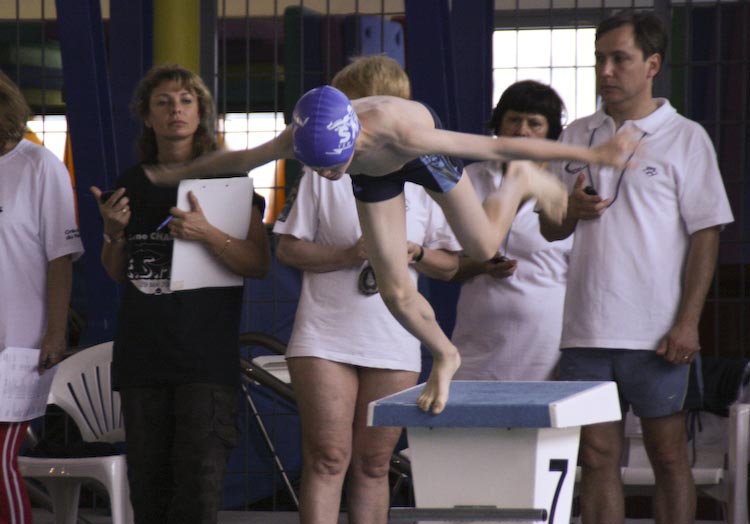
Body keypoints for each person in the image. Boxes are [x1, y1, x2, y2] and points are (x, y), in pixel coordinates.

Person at [146, 74, 635, 415]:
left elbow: (500, 146)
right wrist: (174, 172)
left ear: (352, 141)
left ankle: (520, 182)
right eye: (319, 168)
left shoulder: (404, 131)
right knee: (393, 289)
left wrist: (593, 153)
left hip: (411, 156)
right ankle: (444, 354)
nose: (328, 176)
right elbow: (239, 160)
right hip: (375, 173)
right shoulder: (299, 138)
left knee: (484, 246)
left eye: (333, 166)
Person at [538, 12, 733, 524]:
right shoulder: (576, 134)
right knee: (596, 457)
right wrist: (568, 210)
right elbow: (550, 229)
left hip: (656, 332)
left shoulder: (686, 137)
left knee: (667, 455)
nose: (606, 70)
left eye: (619, 59)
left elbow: (707, 234)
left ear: (652, 64)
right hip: (585, 330)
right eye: (599, 58)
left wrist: (688, 322)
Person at [274, 55, 461, 524]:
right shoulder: (323, 169)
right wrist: (351, 253)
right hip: (325, 334)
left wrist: (415, 252)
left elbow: (451, 264)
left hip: (393, 335)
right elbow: (288, 249)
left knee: (375, 464)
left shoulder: (425, 172)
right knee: (328, 458)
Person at [90, 64, 270, 524]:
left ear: (201, 112)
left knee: (197, 494)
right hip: (142, 358)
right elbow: (118, 272)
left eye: (186, 101)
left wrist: (208, 234)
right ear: (147, 116)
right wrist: (112, 233)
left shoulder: (230, 179)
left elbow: (258, 263)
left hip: (204, 360)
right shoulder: (132, 181)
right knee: (149, 495)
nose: (176, 110)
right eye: (164, 102)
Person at [0, 71, 84, 524]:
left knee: (0, 459)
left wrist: (54, 332)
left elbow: (60, 257)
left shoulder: (39, 165)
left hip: (20, 341)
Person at [452, 80, 571, 381]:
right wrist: (480, 265)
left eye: (535, 123)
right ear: (499, 124)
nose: (522, 131)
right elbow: (444, 262)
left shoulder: (565, 185)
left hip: (546, 345)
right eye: (514, 120)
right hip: (476, 340)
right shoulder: (472, 178)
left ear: (551, 132)